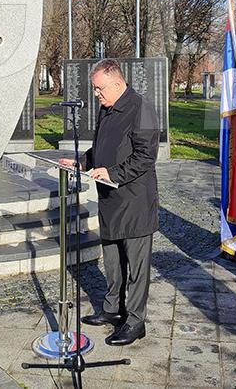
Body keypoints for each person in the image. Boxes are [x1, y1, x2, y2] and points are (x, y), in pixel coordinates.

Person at [60, 59, 159, 346]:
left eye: (99, 88)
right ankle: (113, 310)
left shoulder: (141, 108)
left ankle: (136, 321)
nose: (96, 94)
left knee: (137, 268)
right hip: (110, 199)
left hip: (136, 201)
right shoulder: (107, 109)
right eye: (94, 89)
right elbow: (102, 147)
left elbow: (145, 157)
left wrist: (112, 172)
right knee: (113, 263)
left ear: (117, 83)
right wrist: (81, 162)